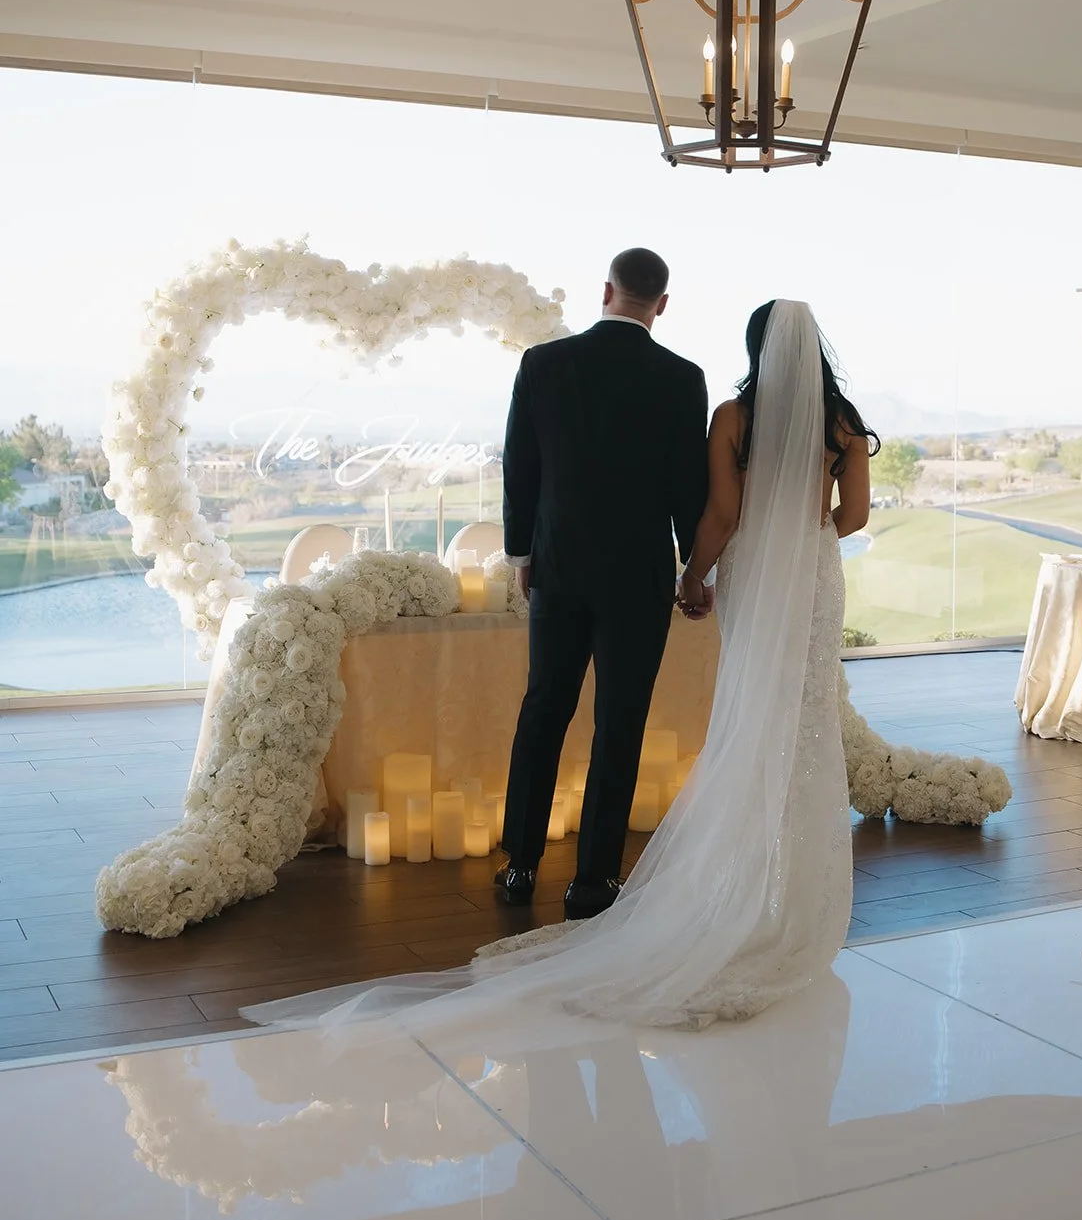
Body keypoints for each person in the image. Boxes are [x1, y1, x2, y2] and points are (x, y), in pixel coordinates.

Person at [245, 297, 879, 1040]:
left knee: (667, 712)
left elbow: (708, 513)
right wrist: (802, 543)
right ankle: (710, 890)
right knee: (787, 718)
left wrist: (688, 572)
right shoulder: (830, 421)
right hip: (807, 577)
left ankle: (536, 866)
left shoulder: (728, 417)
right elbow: (851, 517)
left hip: (658, 573)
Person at [495, 247, 709, 920]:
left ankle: (519, 865)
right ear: (662, 305)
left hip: (557, 567)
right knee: (620, 723)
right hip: (639, 577)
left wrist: (522, 554)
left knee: (543, 711)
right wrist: (691, 570)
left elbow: (519, 469)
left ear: (606, 291)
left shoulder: (544, 364)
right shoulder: (682, 377)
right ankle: (592, 881)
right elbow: (687, 485)